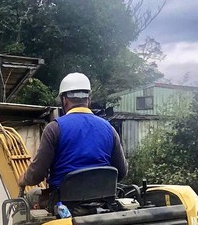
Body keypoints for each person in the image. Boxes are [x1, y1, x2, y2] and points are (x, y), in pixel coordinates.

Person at [20, 72, 128, 200]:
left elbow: (37, 174)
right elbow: (121, 171)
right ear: (89, 99)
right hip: (103, 201)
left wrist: (23, 179)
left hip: (64, 202)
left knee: (31, 197)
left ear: (64, 100)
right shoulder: (109, 129)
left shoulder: (54, 128)